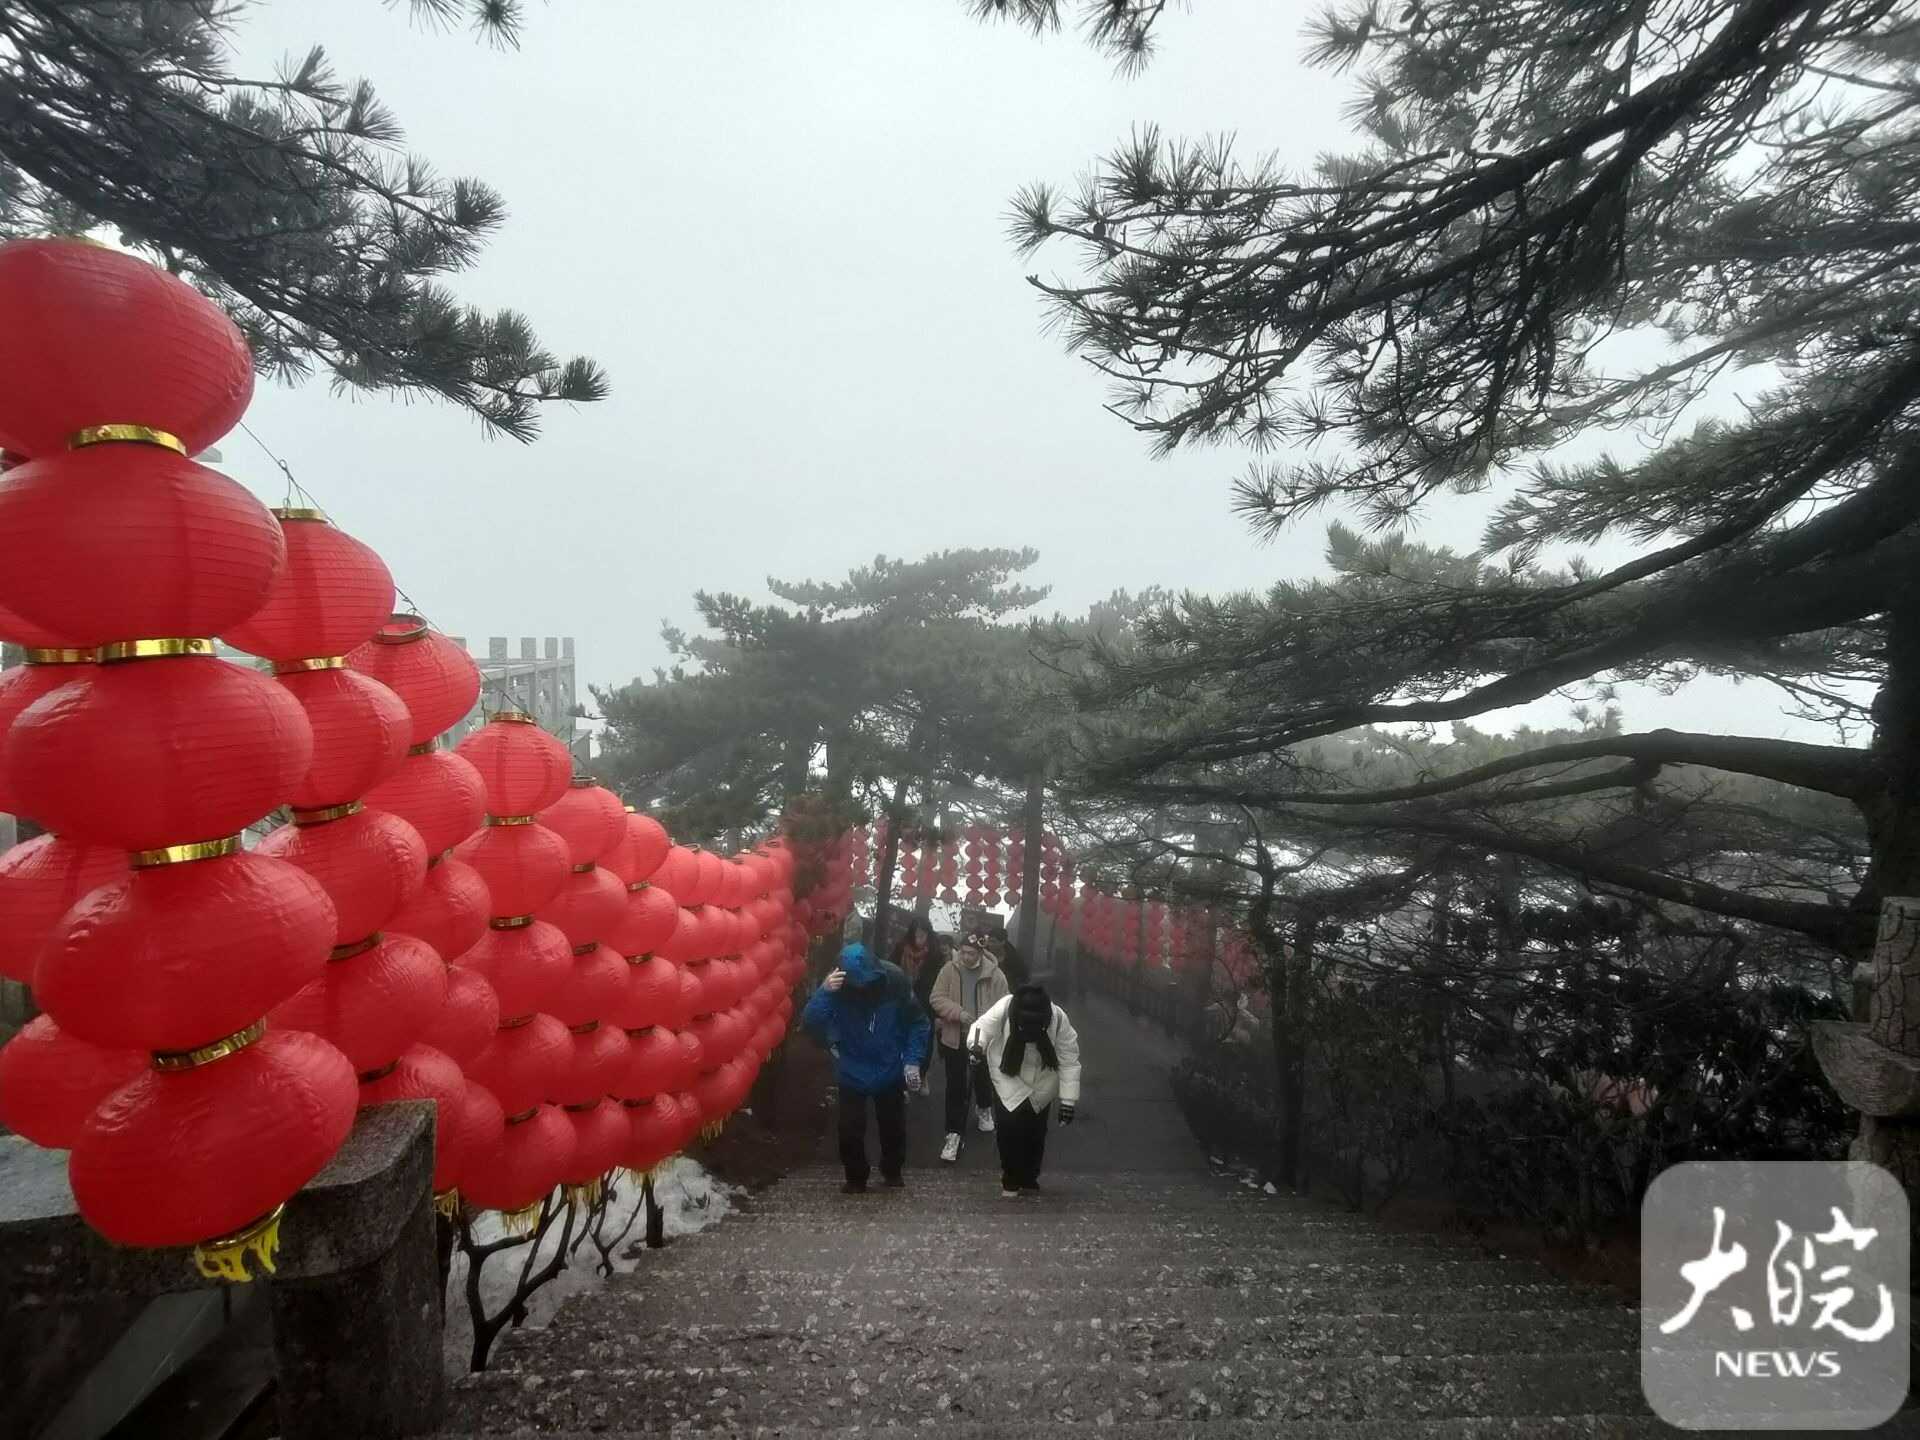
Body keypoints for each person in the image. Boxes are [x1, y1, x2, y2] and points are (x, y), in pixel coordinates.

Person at [802, 941, 931, 1193]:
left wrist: (912, 1061)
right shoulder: (835, 988)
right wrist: (824, 992)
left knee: (892, 1125)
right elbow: (811, 1022)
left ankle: (892, 1171)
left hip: (889, 1065)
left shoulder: (895, 981)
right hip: (852, 1066)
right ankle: (855, 1177)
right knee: (849, 1128)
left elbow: (918, 1023)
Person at [968, 983, 1081, 1198]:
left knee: (1035, 1133)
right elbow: (983, 1026)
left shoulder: (1058, 1019)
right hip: (1007, 1076)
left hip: (1042, 1082)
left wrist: (1068, 1100)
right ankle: (1011, 1178)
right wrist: (976, 1046)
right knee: (1007, 1131)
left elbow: (1069, 1059)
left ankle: (1029, 1176)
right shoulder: (1005, 1007)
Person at [927, 930, 1010, 1161]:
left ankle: (983, 1107)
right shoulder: (949, 970)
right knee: (955, 1085)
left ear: (981, 953)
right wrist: (959, 1013)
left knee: (982, 1076)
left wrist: (988, 1022)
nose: (965, 957)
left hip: (983, 1038)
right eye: (963, 952)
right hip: (955, 1035)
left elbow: (1005, 1006)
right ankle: (953, 1134)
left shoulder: (996, 975)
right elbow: (936, 998)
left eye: (971, 953)